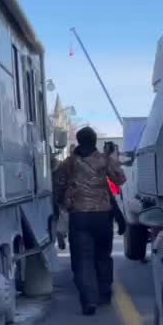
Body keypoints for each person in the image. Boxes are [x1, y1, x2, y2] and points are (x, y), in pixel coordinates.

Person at [53, 126, 127, 315]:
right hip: (103, 216)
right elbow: (120, 179)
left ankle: (89, 300)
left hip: (79, 217)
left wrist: (62, 203)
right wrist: (112, 159)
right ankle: (104, 294)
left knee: (82, 259)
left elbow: (58, 185)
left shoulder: (69, 163)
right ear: (95, 141)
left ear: (78, 141)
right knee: (103, 256)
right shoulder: (104, 160)